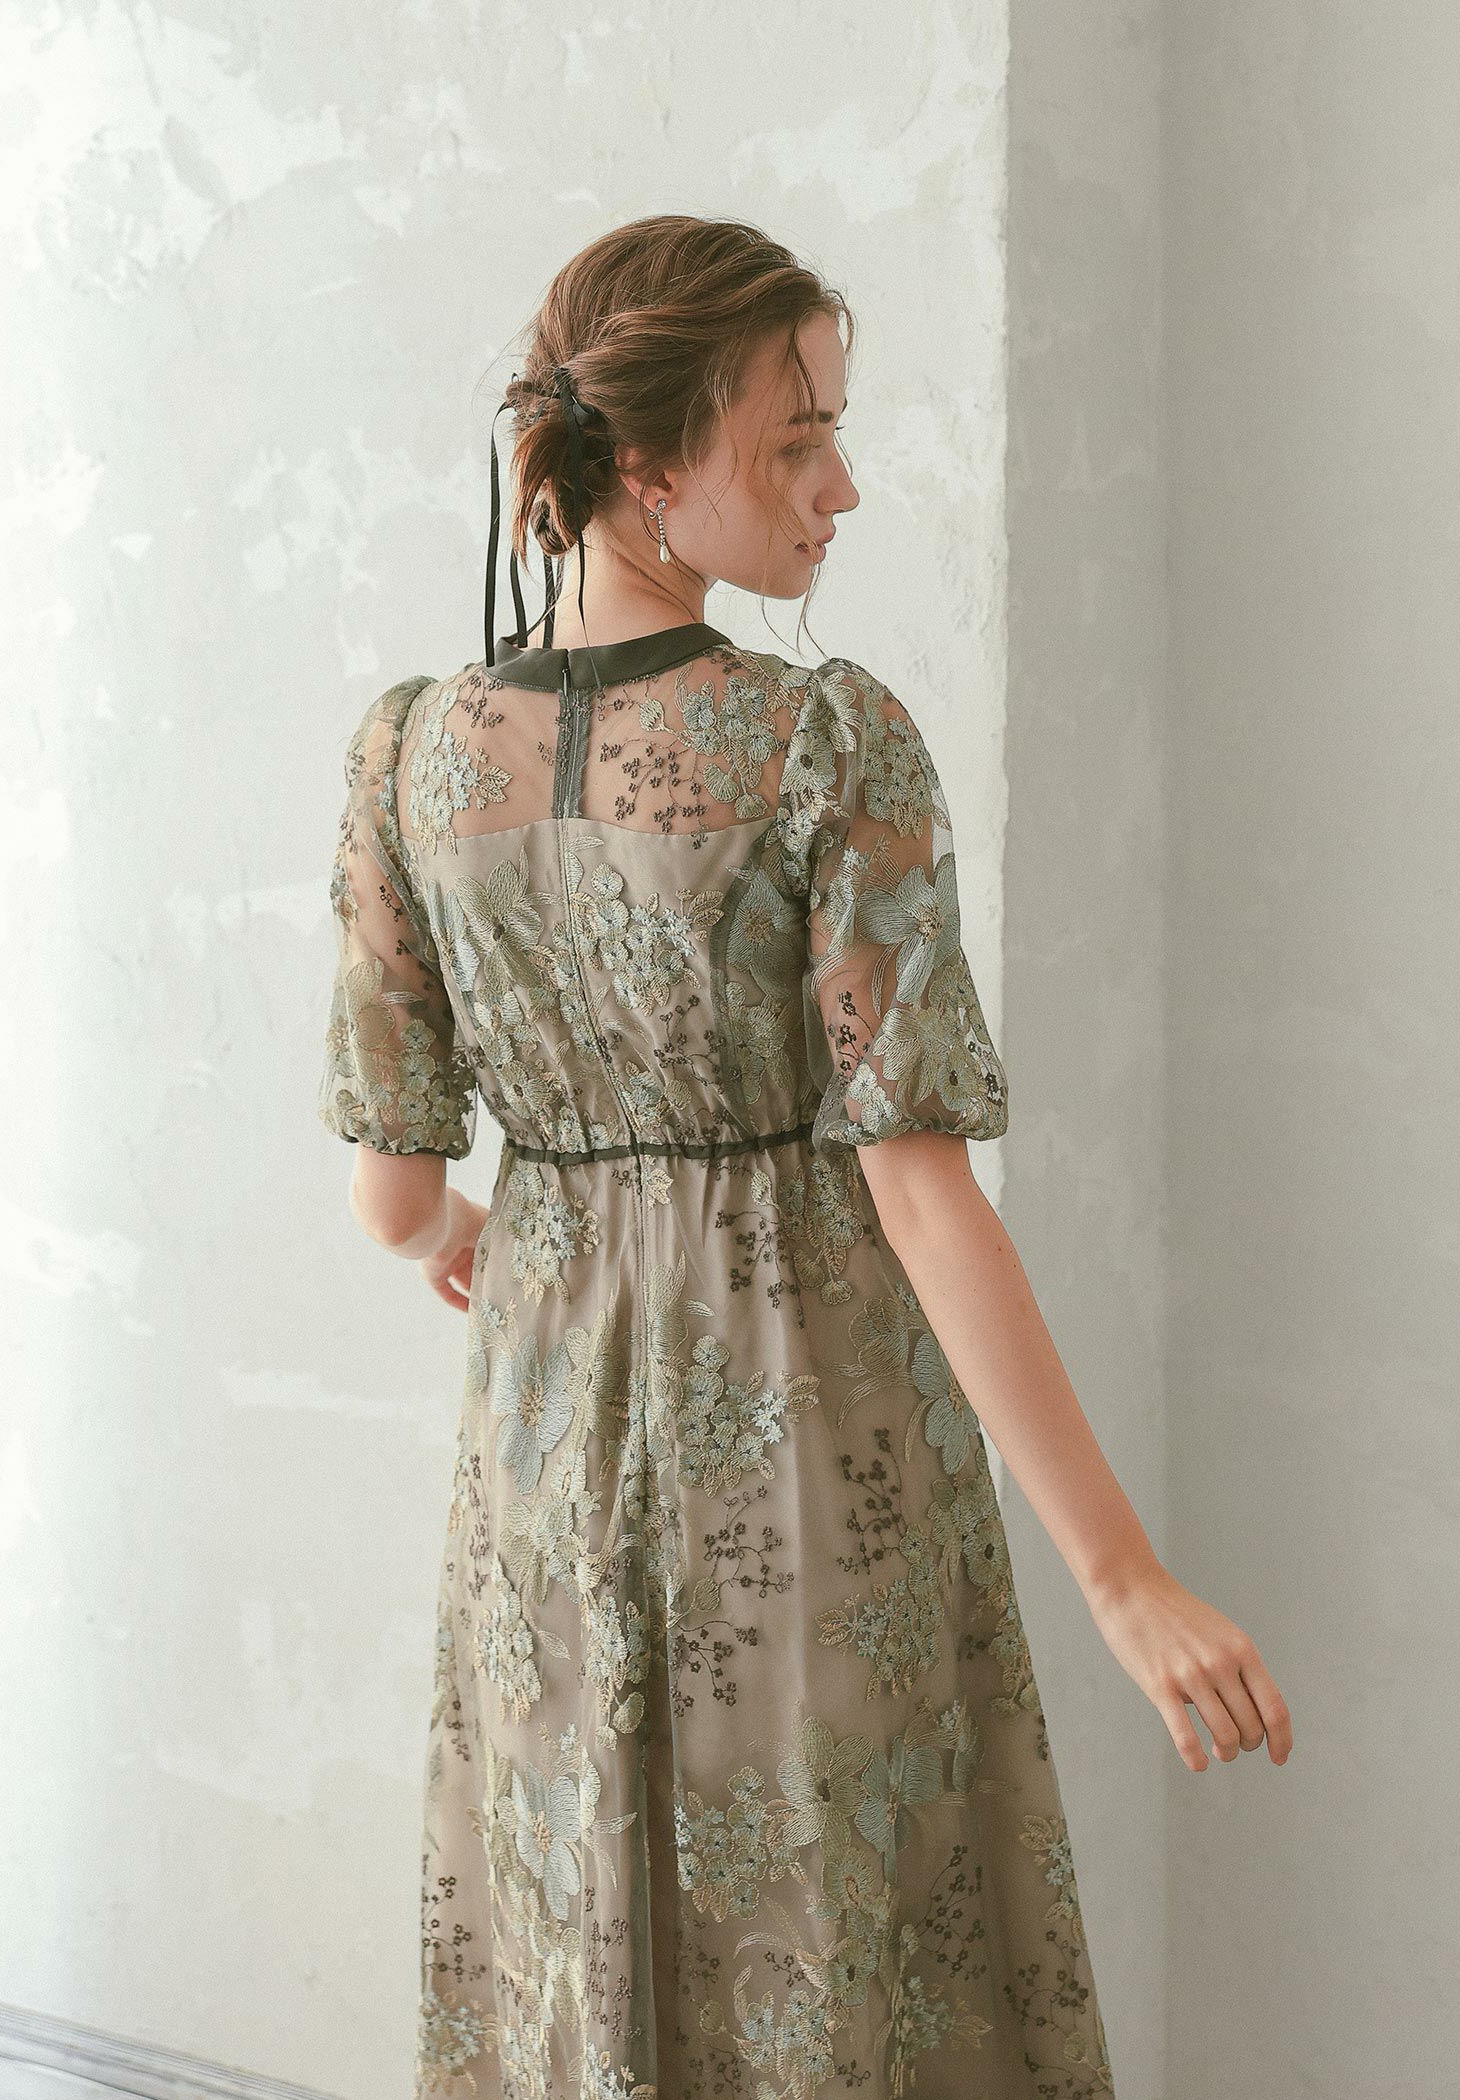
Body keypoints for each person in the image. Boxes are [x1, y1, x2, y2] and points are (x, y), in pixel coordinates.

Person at [316, 214, 1291, 2100]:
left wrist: (506, 1229)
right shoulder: (821, 744)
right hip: (809, 1437)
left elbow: (397, 1196)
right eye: (798, 441)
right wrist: (1121, 1578)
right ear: (646, 462)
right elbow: (919, 1194)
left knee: (582, 1937)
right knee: (836, 1959)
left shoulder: (409, 758)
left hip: (542, 1455)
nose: (842, 486)